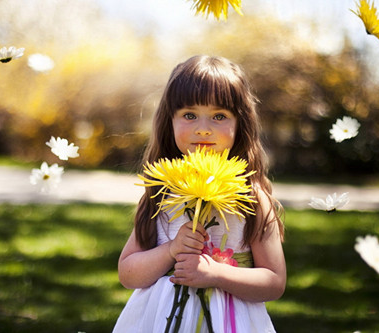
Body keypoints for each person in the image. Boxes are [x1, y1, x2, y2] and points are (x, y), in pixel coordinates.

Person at [113, 55, 286, 333]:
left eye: (219, 116)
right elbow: (128, 273)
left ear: (239, 124)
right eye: (189, 115)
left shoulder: (250, 197)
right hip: (161, 321)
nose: (203, 128)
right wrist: (171, 250)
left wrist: (216, 274)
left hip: (229, 321)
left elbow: (274, 282)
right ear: (169, 121)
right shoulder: (162, 191)